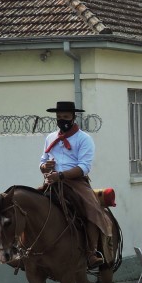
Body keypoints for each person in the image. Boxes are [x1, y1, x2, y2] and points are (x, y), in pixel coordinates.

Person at [37, 100, 111, 269]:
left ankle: (91, 252)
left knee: (92, 209)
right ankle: (26, 251)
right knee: (27, 205)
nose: (62, 120)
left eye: (65, 117)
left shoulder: (84, 139)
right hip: (51, 181)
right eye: (58, 117)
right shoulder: (50, 138)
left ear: (73, 117)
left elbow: (84, 167)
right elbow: (42, 161)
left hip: (76, 183)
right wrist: (44, 167)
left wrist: (61, 175)